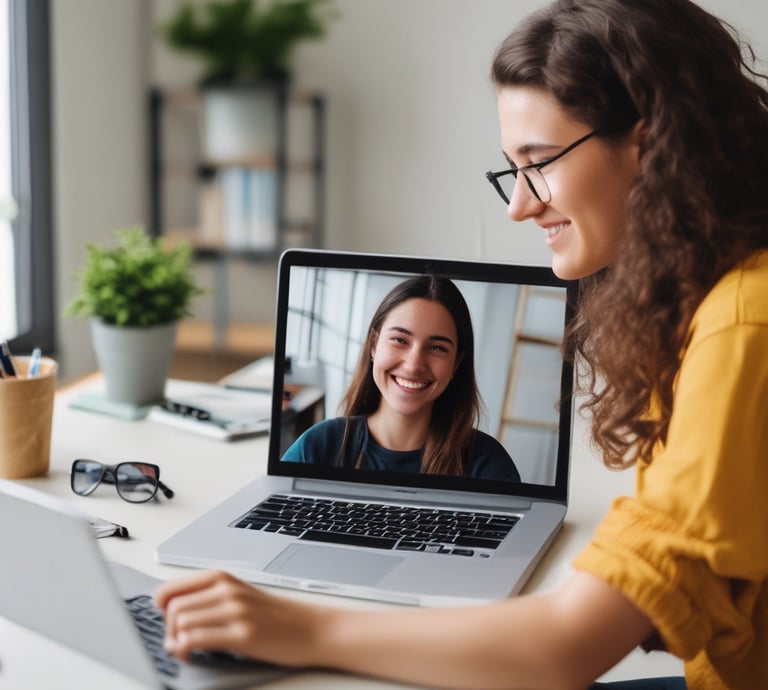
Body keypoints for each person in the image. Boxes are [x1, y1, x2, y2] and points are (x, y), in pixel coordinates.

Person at [155, 1, 768, 687]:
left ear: (650, 146)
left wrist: (305, 629)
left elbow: (568, 649)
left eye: (540, 163)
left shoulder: (744, 326)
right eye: (513, 169)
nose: (520, 205)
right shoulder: (714, 294)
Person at [280, 275, 522, 482]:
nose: (414, 365)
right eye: (400, 340)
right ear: (374, 344)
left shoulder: (488, 465)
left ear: (457, 362)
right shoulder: (317, 447)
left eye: (437, 347)